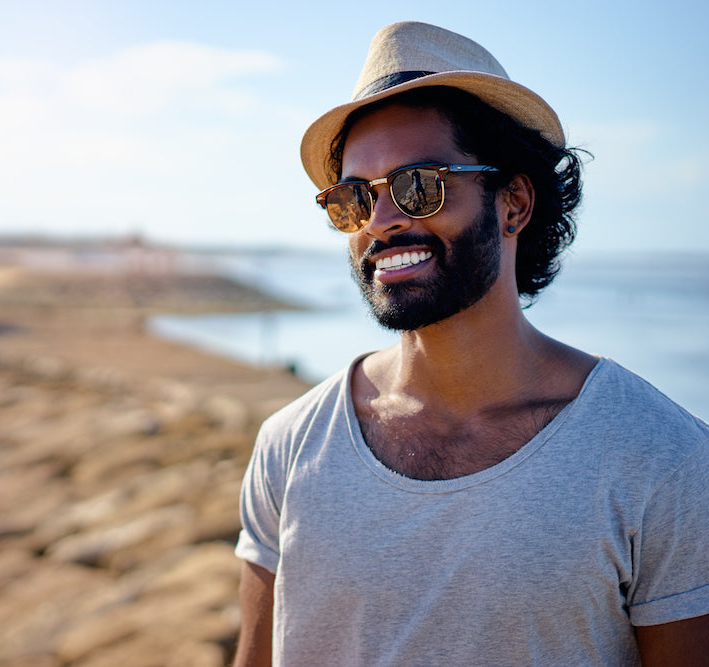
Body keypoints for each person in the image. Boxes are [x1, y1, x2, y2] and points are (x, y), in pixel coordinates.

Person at [233, 21, 709, 666]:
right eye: (353, 199)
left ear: (513, 203)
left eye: (420, 185)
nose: (381, 220)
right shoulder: (291, 447)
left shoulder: (664, 459)